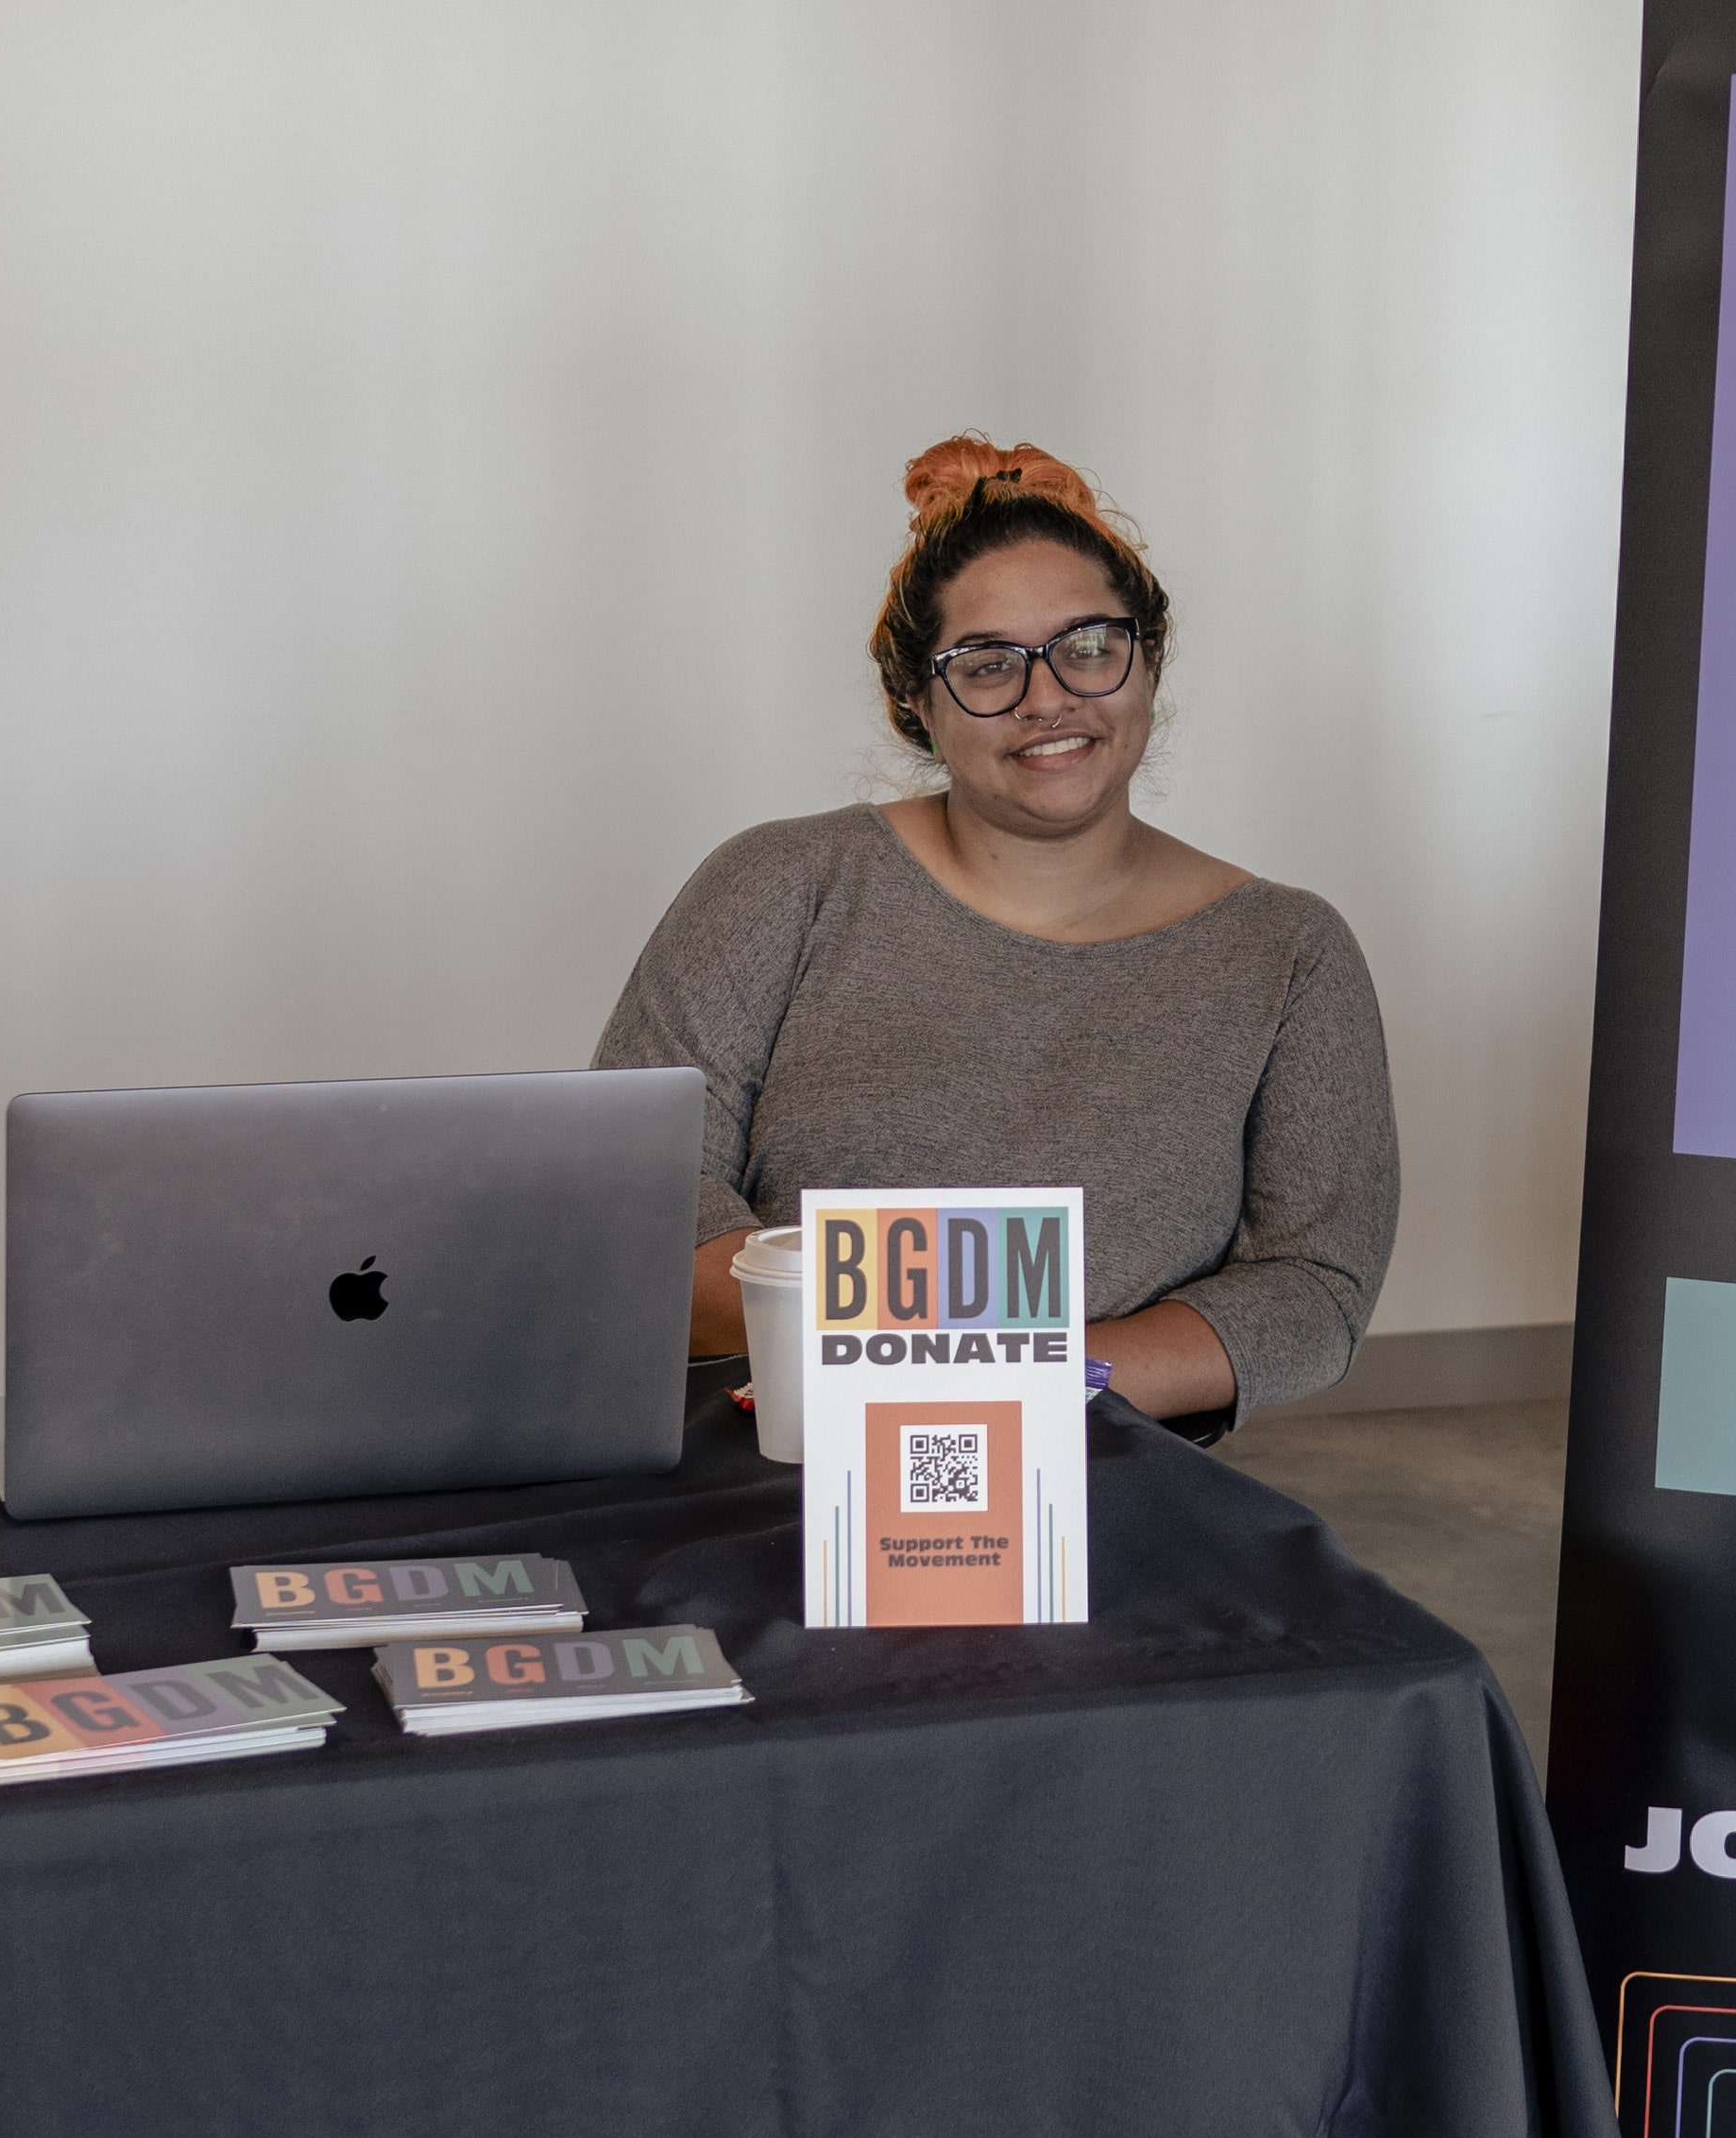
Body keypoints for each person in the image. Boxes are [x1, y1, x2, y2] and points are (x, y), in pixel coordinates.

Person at [592, 435, 1399, 1430]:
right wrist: (886, 1379)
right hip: (772, 1450)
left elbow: (1314, 1290)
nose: (1047, 697)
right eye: (986, 666)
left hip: (1106, 1472)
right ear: (916, 703)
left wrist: (1032, 1388)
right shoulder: (781, 886)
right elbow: (638, 1194)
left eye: (1089, 645)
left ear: (1148, 659)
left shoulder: (1288, 952)